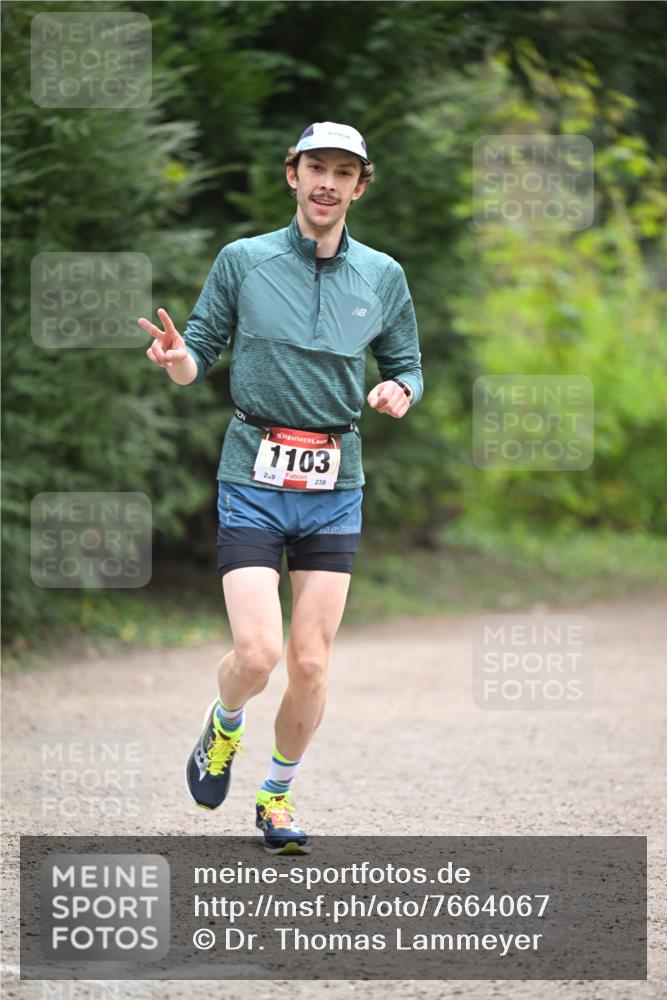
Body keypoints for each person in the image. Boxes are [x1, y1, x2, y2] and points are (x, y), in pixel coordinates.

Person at [138, 121, 423, 854]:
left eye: (342, 172)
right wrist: (176, 358)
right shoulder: (244, 260)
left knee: (311, 661)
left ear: (360, 187)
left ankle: (276, 796)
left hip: (335, 483)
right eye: (315, 168)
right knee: (259, 654)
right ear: (293, 175)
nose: (327, 183)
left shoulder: (383, 275)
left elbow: (406, 365)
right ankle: (224, 724)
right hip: (252, 477)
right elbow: (197, 353)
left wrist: (399, 391)